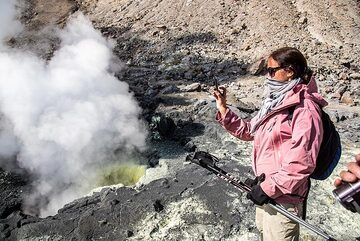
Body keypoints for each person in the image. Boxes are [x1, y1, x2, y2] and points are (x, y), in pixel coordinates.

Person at [214, 47, 326, 241]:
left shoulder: (304, 108)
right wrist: (224, 109)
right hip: (266, 192)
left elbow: (302, 162)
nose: (268, 75)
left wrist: (267, 189)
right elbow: (250, 131)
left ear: (289, 71)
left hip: (283, 199)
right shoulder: (275, 102)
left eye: (272, 70)